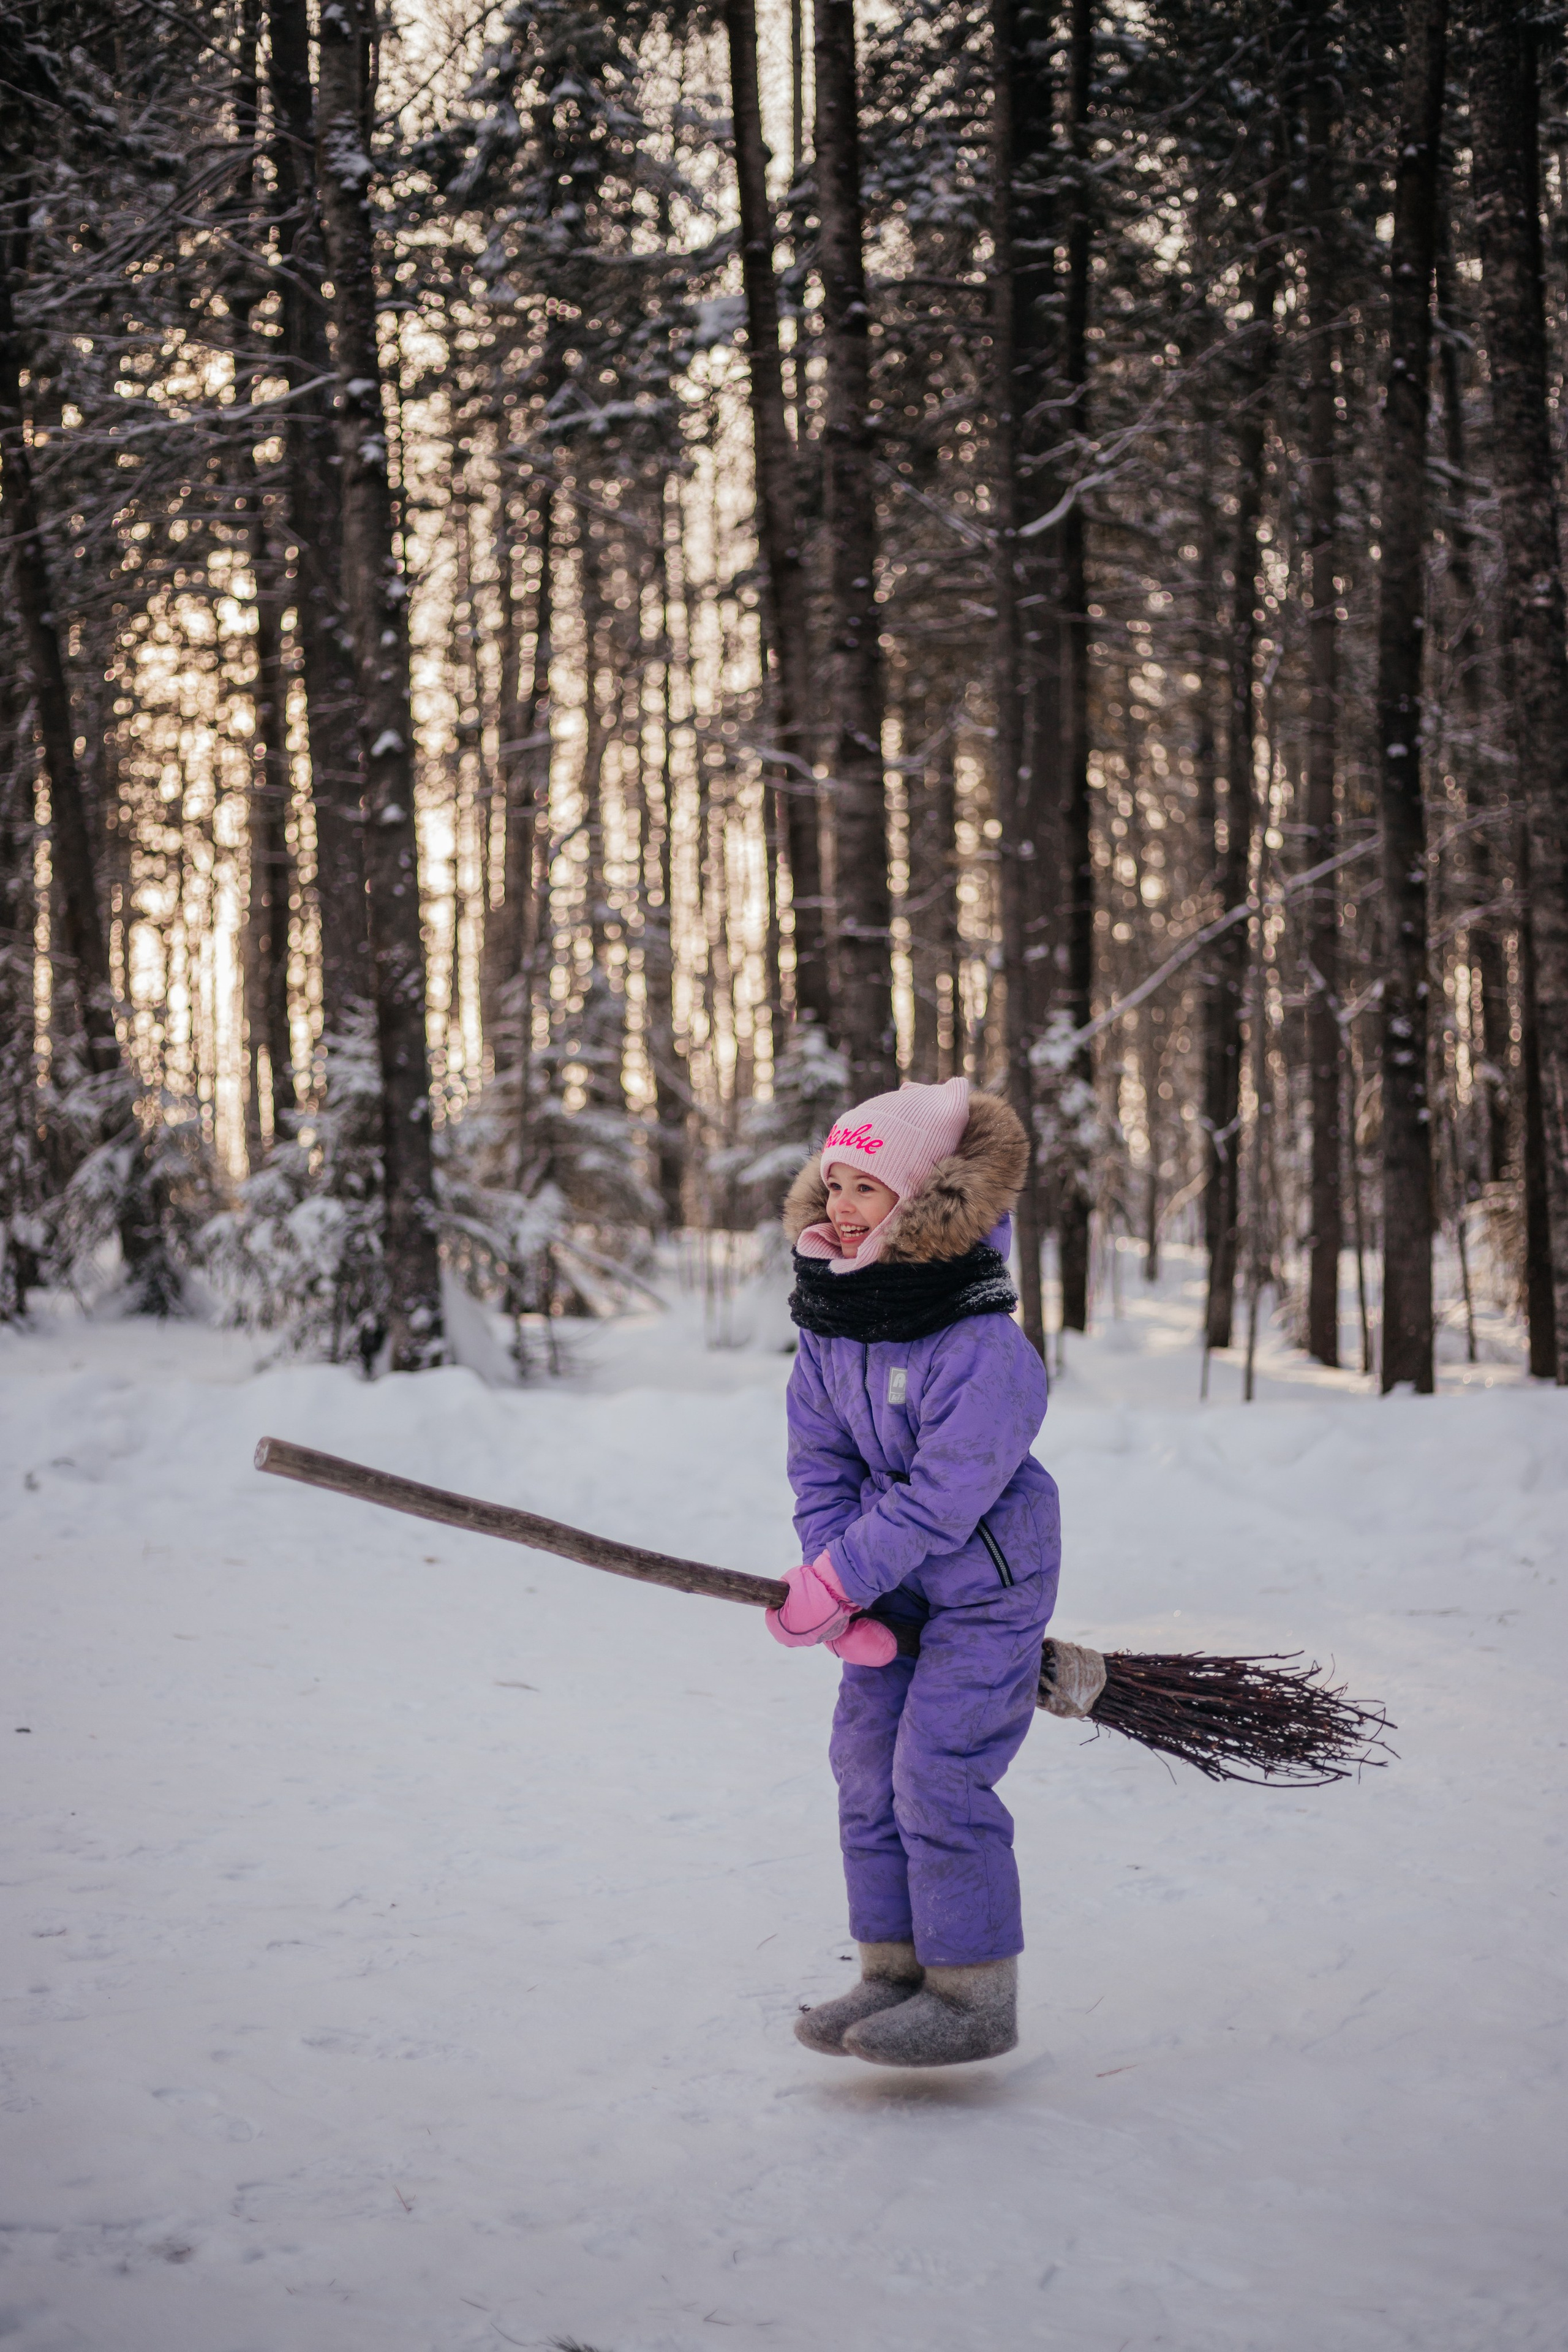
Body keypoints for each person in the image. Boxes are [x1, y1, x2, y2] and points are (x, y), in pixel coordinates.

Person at [767, 1075, 1060, 2068]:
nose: (841, 1208)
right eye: (834, 1184)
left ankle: (974, 1994)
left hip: (985, 1582)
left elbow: (945, 1496)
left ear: (926, 1201)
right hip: (884, 1581)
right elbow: (821, 1460)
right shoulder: (833, 1318)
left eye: (867, 1190)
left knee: (937, 1772)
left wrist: (841, 1577)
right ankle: (892, 1974)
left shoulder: (983, 1343)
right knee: (864, 1769)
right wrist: (837, 1577)